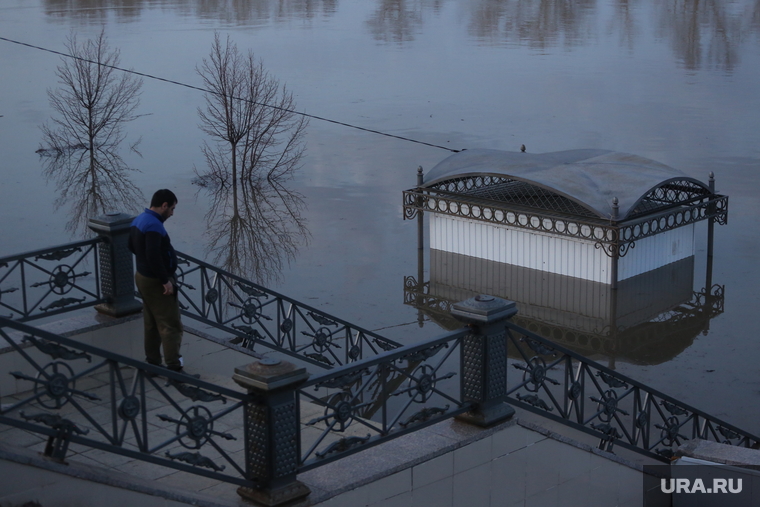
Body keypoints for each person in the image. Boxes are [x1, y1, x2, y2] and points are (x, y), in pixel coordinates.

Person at [128, 189, 185, 373]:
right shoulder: (154, 225)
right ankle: (174, 368)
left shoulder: (139, 219)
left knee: (151, 323)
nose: (172, 213)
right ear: (164, 205)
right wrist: (165, 280)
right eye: (172, 209)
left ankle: (152, 363)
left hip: (142, 277)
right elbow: (153, 255)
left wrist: (144, 264)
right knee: (171, 325)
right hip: (155, 281)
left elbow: (131, 245)